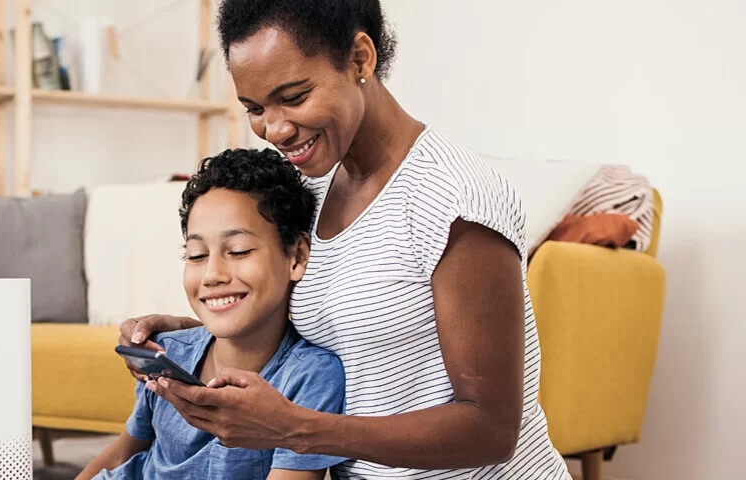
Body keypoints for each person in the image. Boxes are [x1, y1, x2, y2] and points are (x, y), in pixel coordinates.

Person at [119, 0, 571, 478]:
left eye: (293, 97)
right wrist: (185, 336)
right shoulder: (313, 185)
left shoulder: (455, 199)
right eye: (255, 108)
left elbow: (491, 429)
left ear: (360, 59)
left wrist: (295, 430)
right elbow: (340, 335)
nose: (275, 129)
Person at [77, 149, 348, 480]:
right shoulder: (168, 352)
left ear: (296, 256)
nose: (212, 275)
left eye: (239, 251)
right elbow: (122, 453)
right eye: (196, 255)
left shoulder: (311, 377)